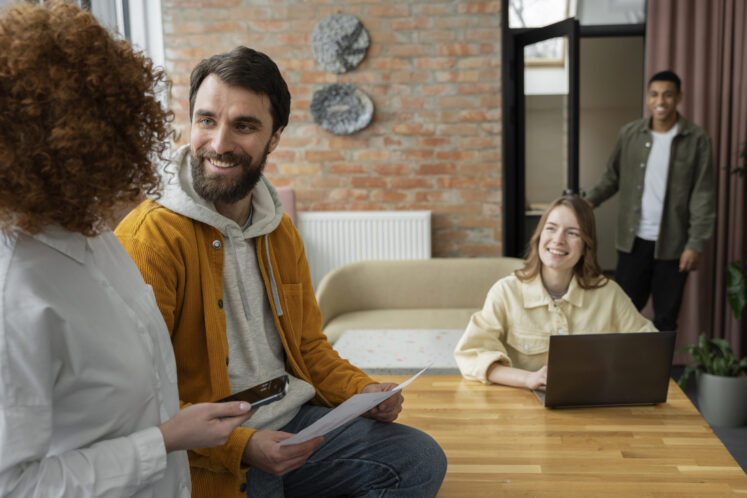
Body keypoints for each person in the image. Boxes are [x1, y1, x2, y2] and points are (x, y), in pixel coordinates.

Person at [115, 46, 447, 497]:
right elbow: (138, 396)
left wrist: (363, 390)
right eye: (207, 120)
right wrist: (243, 445)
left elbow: (307, 345)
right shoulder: (149, 238)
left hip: (292, 421)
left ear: (275, 137)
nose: (219, 143)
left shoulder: (279, 231)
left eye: (244, 126)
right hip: (212, 449)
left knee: (419, 461)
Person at [0, 3, 255, 497]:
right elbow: (14, 485)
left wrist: (175, 429)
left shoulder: (91, 234)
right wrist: (162, 441)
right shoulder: (15, 290)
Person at [454, 195, 656, 389]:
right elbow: (471, 354)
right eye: (551, 228)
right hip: (522, 412)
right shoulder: (506, 292)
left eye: (573, 233)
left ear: (586, 245)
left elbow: (650, 348)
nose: (558, 240)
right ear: (539, 235)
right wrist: (527, 379)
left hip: (591, 409)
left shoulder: (609, 293)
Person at [584, 70, 716, 332]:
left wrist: (695, 244)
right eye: (654, 94)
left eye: (668, 94)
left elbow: (703, 195)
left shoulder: (697, 140)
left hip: (674, 245)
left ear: (679, 97)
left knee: (666, 318)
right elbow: (612, 177)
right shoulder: (630, 134)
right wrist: (587, 203)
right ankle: (620, 372)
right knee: (622, 313)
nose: (660, 101)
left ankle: (658, 374)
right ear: (647, 98)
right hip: (633, 242)